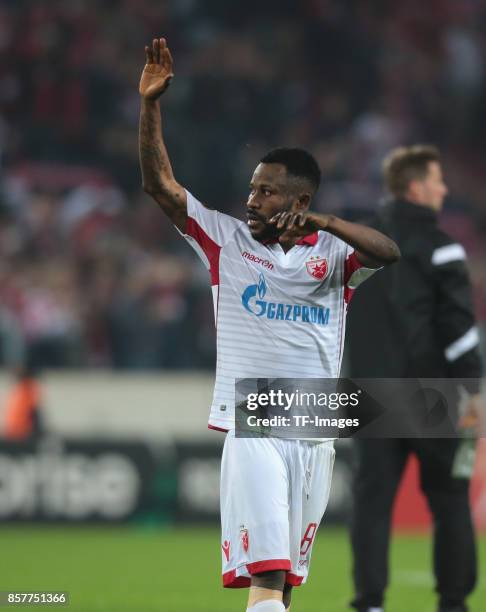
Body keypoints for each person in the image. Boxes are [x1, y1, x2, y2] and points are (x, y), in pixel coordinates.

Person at [138, 38, 400, 612]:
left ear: (299, 199)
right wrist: (151, 107)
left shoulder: (332, 255)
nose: (251, 198)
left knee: (284, 584)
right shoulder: (224, 240)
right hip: (253, 419)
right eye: (252, 187)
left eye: (266, 189)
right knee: (267, 572)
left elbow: (389, 252)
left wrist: (325, 221)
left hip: (316, 423)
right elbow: (160, 187)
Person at [346, 145, 484, 612]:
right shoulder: (441, 246)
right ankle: (453, 603)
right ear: (415, 186)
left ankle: (369, 602)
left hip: (368, 393)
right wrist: (474, 395)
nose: (444, 188)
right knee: (450, 501)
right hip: (435, 395)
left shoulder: (357, 244)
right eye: (437, 179)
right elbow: (460, 331)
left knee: (371, 503)